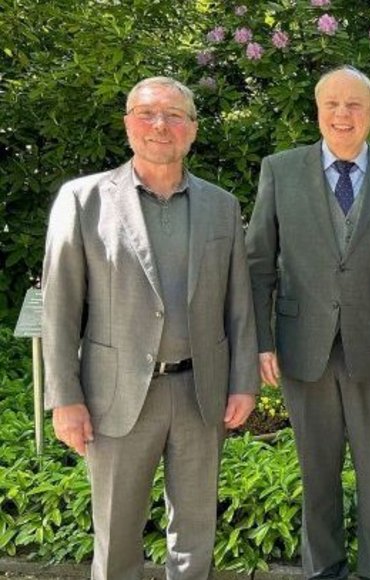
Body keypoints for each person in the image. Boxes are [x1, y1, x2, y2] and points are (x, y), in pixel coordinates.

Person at [41, 76, 259, 580]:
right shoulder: (83, 200)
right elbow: (60, 308)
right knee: (116, 536)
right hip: (113, 396)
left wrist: (243, 381)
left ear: (192, 130)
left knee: (196, 534)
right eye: (147, 113)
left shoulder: (221, 206)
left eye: (174, 115)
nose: (160, 124)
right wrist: (64, 397)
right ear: (127, 124)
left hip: (199, 393)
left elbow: (239, 305)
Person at [246, 66, 370, 580]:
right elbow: (259, 262)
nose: (342, 115)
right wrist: (261, 341)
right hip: (304, 347)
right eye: (332, 104)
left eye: (354, 106)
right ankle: (322, 570)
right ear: (318, 110)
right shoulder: (281, 170)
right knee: (316, 471)